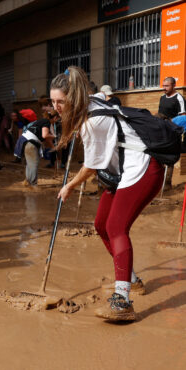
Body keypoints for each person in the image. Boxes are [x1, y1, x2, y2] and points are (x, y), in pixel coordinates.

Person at [54, 66, 162, 322]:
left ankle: (122, 300)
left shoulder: (93, 122)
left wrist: (69, 185)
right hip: (122, 171)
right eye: (53, 101)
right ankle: (131, 280)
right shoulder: (89, 104)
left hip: (144, 169)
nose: (57, 107)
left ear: (75, 98)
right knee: (101, 224)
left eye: (61, 101)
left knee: (116, 227)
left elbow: (91, 167)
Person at [20, 109, 54, 186]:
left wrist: (53, 146)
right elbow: (45, 136)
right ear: (55, 118)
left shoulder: (41, 121)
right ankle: (33, 185)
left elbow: (45, 138)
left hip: (26, 142)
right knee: (33, 164)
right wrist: (54, 136)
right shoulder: (46, 122)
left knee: (30, 164)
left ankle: (27, 182)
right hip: (31, 143)